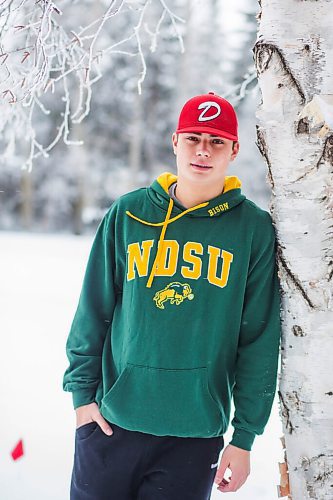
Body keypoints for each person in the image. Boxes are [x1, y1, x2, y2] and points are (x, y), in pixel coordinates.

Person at [63, 91, 281, 499]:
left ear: (234, 150)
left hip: (194, 437)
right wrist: (81, 398)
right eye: (193, 138)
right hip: (111, 424)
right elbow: (92, 311)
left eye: (216, 140)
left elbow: (258, 340)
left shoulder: (253, 230)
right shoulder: (129, 214)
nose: (203, 151)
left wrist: (245, 436)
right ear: (174, 142)